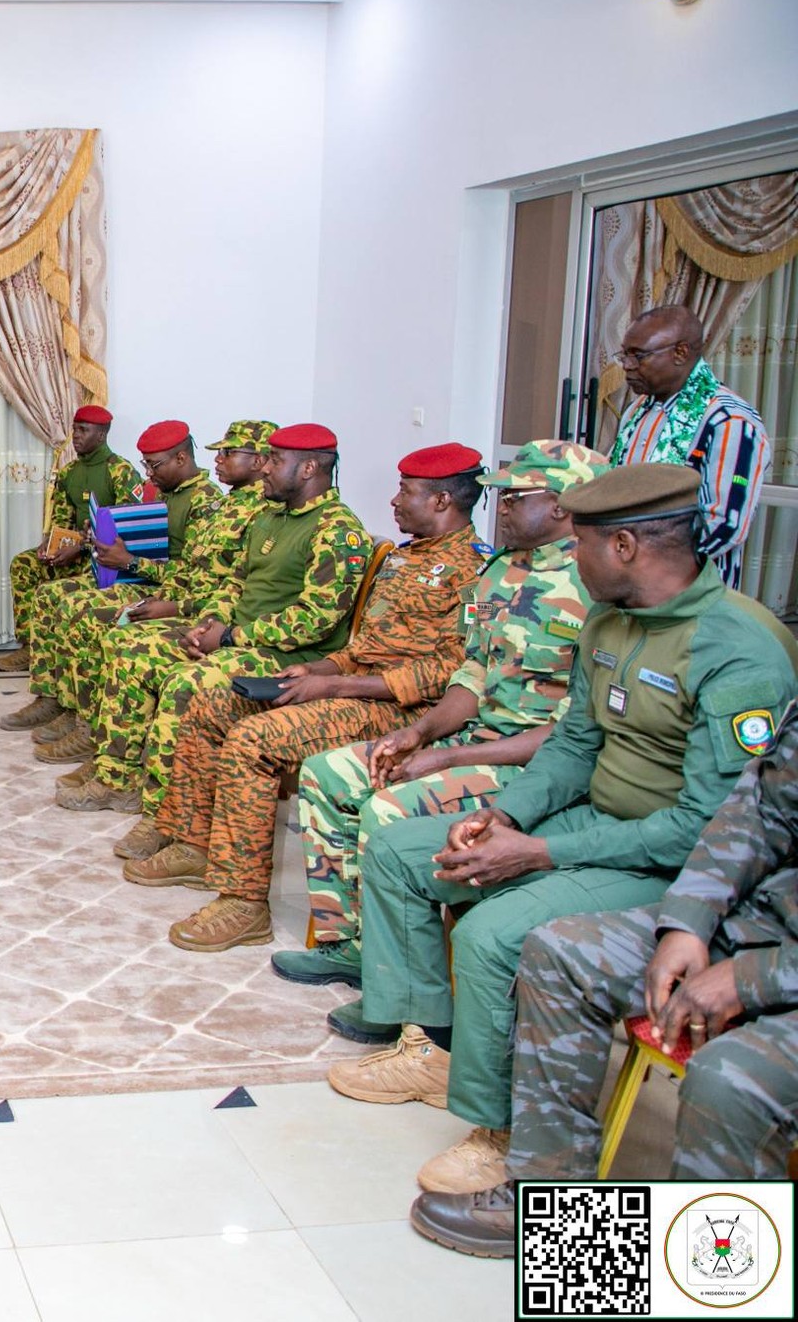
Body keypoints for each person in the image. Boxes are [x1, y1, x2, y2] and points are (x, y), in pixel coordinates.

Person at [326, 463, 798, 1201]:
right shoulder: (612, 619)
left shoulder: (737, 651)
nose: (569, 560)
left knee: (494, 933)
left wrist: (541, 851)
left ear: (627, 547)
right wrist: (507, 817)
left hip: (663, 855)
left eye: (580, 543)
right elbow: (575, 744)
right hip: (593, 818)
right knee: (400, 849)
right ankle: (434, 1049)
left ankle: (500, 1130)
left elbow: (713, 830)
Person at [411, 701, 798, 1258]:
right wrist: (687, 923)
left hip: (774, 960)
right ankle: (548, 1203)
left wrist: (755, 977)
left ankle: (721, 1285)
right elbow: (756, 815)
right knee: (561, 952)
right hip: (762, 919)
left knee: (729, 1080)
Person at [128, 444, 490, 951]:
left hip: (398, 711)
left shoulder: (476, 571)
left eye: (406, 491)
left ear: (441, 500)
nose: (393, 500)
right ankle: (192, 841)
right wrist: (318, 670)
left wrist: (337, 685)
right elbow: (363, 649)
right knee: (211, 703)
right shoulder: (407, 558)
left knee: (255, 738)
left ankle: (244, 902)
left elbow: (454, 670)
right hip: (351, 687)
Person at [273, 440, 604, 989]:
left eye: (517, 498)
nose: (501, 508)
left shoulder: (595, 590)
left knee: (388, 809)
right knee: (329, 773)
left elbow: (573, 735)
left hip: (534, 768)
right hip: (475, 740)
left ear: (564, 505)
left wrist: (448, 756)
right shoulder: (503, 573)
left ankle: (399, 978)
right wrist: (419, 732)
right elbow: (472, 675)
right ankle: (348, 944)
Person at [61, 422, 367, 814]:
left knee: (185, 683)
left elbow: (313, 621)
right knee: (128, 647)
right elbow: (232, 583)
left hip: (288, 657)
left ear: (308, 469)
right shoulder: (271, 518)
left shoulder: (337, 530)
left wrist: (228, 637)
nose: (267, 469)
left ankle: (167, 817)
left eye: (275, 460)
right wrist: (208, 625)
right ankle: (117, 777)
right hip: (237, 637)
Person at [33, 420, 278, 770]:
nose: (219, 460)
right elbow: (200, 572)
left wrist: (161, 590)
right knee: (60, 598)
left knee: (97, 621)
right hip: (175, 593)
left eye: (228, 452)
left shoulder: (220, 505)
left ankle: (101, 740)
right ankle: (75, 714)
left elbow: (217, 582)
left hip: (196, 608)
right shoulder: (226, 505)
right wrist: (101, 537)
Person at [1, 418, 222, 735]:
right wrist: (100, 535)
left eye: (155, 465)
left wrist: (130, 561)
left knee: (82, 612)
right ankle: (53, 697)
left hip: (163, 589)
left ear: (181, 458)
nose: (149, 474)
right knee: (50, 595)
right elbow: (147, 541)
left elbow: (192, 574)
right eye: (146, 465)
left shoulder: (205, 503)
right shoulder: (167, 493)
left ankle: (84, 720)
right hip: (141, 577)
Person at [608, 304, 766, 587]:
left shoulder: (729, 420)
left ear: (680, 353)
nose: (627, 365)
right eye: (625, 354)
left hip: (690, 595)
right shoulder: (638, 410)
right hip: (627, 583)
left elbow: (725, 524)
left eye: (638, 355)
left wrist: (645, 565)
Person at [0, 404, 144, 672]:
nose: (75, 435)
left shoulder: (120, 471)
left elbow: (126, 528)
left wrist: (82, 547)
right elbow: (62, 520)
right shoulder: (69, 472)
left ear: (101, 435)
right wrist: (51, 545)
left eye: (83, 430)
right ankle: (30, 646)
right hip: (73, 551)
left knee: (66, 585)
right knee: (24, 564)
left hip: (105, 558)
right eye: (75, 429)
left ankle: (60, 652)